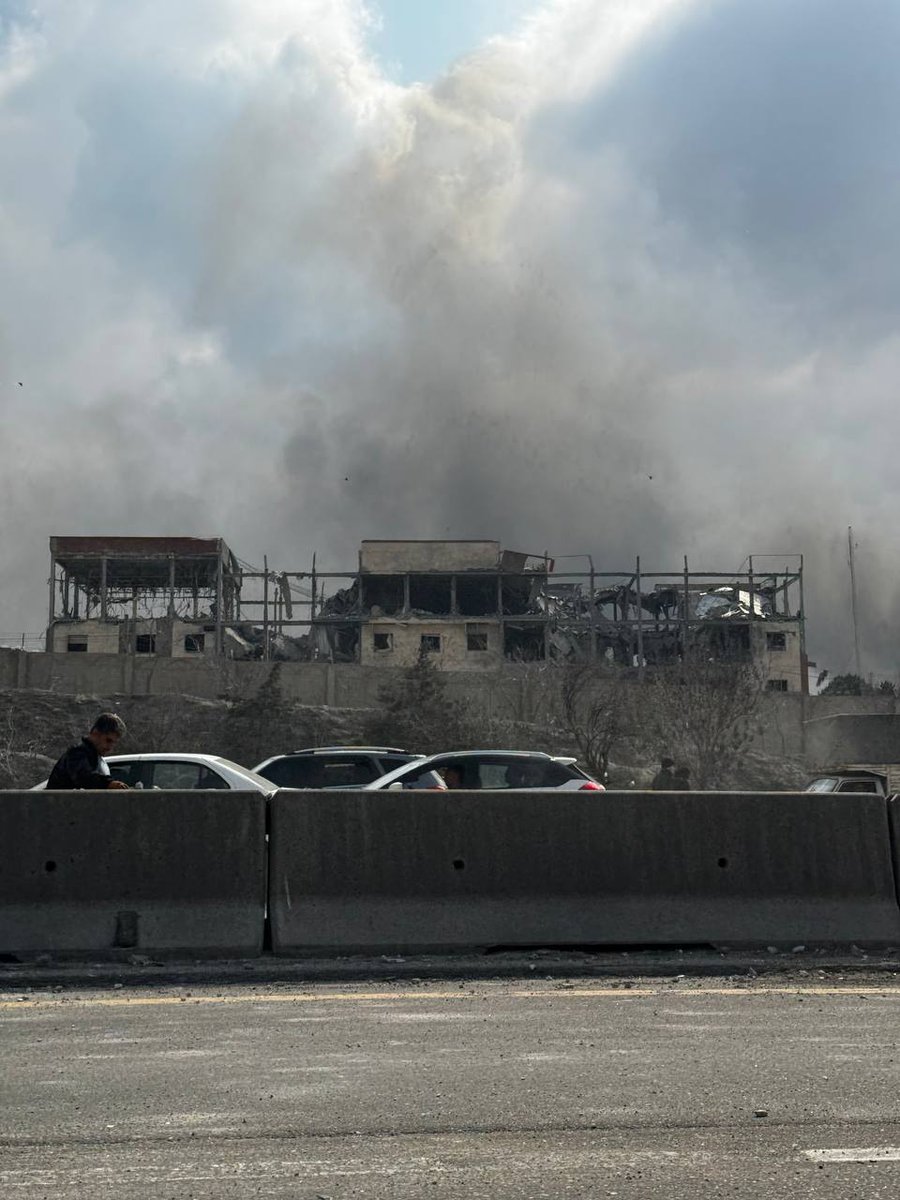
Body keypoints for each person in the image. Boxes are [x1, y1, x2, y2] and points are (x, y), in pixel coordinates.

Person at [47, 713, 130, 790]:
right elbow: (83, 777)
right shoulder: (77, 753)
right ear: (95, 733)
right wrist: (108, 783)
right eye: (108, 741)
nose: (110, 748)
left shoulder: (95, 758)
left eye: (114, 743)